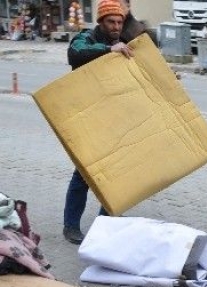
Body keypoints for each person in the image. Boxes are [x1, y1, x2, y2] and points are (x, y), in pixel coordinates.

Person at [62, 0, 134, 244]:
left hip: (113, 117)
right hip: (87, 116)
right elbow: (75, 54)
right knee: (83, 173)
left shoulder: (122, 44)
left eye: (119, 22)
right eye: (111, 22)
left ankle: (105, 224)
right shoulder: (86, 39)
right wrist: (107, 51)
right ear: (101, 22)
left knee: (115, 173)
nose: (116, 26)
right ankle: (71, 226)